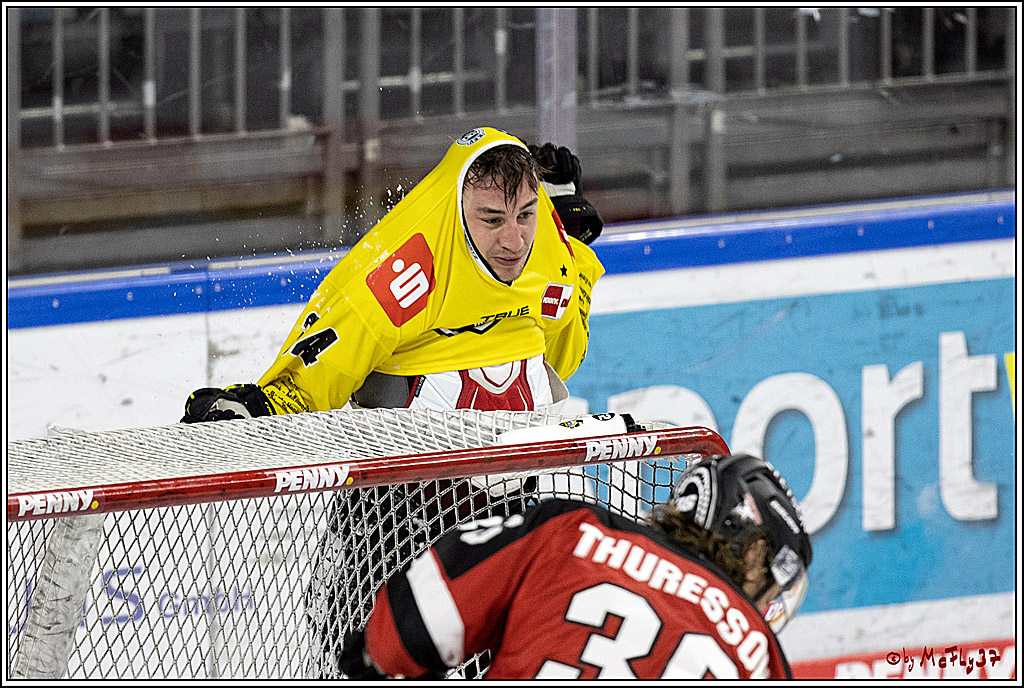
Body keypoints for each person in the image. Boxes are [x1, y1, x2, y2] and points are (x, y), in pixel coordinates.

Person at [178, 126, 606, 677]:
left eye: (525, 214)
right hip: (402, 510)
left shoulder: (548, 246)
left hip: (512, 500)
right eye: (492, 219)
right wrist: (264, 404)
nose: (514, 240)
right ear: (457, 209)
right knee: (370, 653)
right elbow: (330, 352)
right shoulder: (409, 264)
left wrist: (573, 244)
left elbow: (564, 355)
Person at [338, 453, 814, 680]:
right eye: (775, 580)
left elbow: (403, 635)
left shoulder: (570, 531)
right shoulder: (761, 657)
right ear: (753, 553)